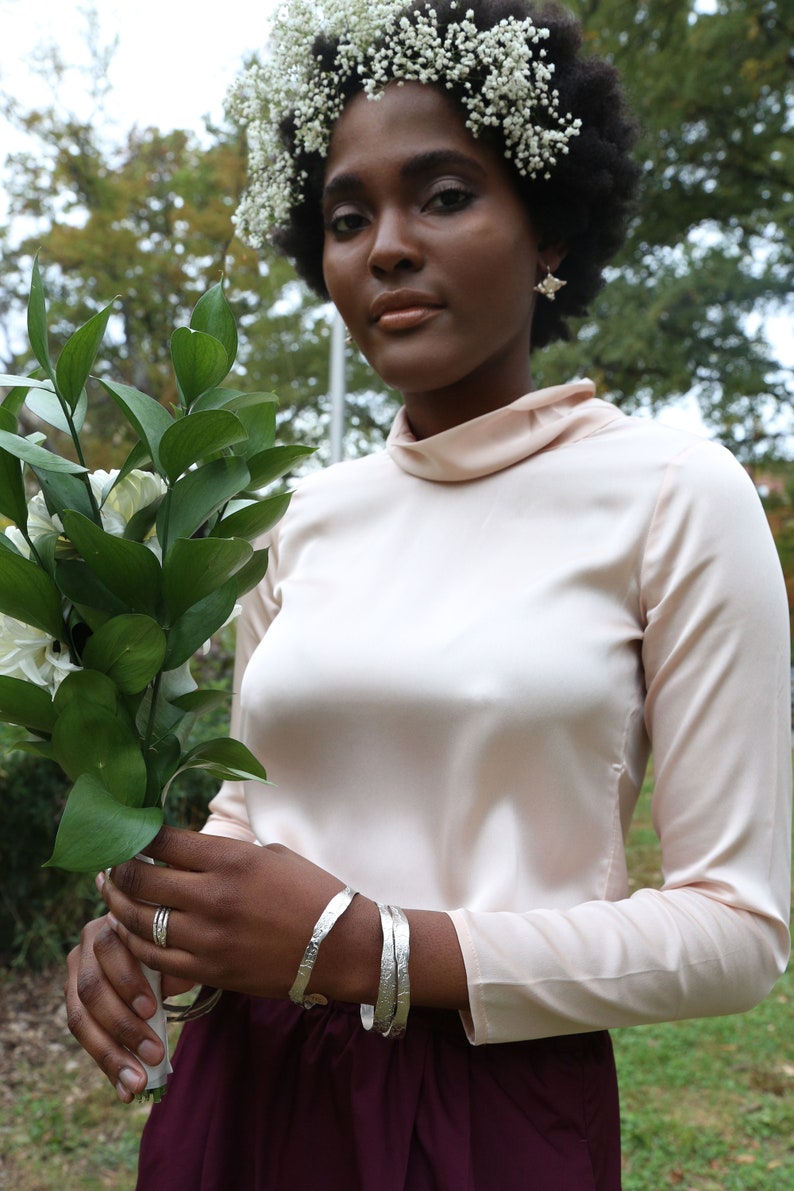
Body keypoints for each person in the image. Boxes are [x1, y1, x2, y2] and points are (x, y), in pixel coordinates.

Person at [64, 2, 792, 1188]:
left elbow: (734, 936)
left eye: (443, 195)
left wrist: (377, 953)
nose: (384, 247)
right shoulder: (300, 518)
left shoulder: (671, 495)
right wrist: (160, 934)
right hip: (243, 1092)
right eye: (348, 218)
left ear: (548, 227)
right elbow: (260, 812)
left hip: (490, 1114)